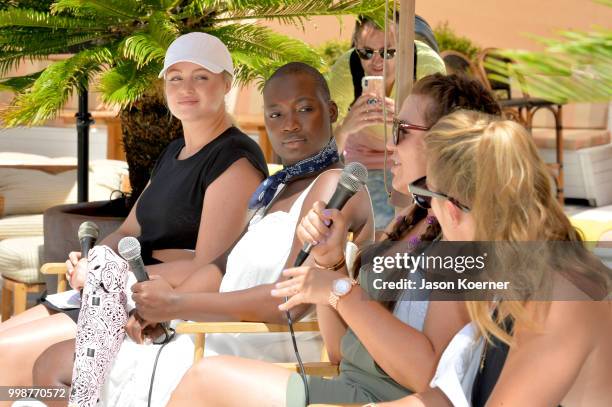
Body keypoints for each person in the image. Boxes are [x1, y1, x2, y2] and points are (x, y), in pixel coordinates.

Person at [33, 62, 375, 407]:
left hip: (255, 354)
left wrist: (180, 304)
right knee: (52, 366)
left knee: (56, 369)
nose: (290, 124)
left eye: (304, 109)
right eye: (275, 114)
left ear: (331, 111)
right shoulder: (274, 191)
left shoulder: (333, 186)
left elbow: (287, 301)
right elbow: (219, 268)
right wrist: (157, 311)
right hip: (213, 335)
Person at [165, 74, 503, 407]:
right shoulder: (413, 222)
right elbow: (341, 349)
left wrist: (341, 291)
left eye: (401, 131)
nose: (390, 145)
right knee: (203, 378)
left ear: (446, 143)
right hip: (347, 389)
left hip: (386, 400)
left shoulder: (461, 239)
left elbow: (430, 378)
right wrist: (331, 261)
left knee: (205, 380)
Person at [0, 32, 268, 394]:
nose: (186, 87)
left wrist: (110, 272)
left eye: (201, 76)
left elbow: (210, 268)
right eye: (175, 77)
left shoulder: (234, 160)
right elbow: (129, 228)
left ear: (226, 84)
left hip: (145, 304)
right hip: (113, 288)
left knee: (4, 358)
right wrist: (94, 260)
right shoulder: (174, 152)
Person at [371, 111, 612, 407]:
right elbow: (451, 395)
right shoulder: (515, 272)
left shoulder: (556, 302)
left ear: (452, 209)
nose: (429, 210)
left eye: (426, 195)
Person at [328, 14, 446, 227]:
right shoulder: (345, 72)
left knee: (418, 222)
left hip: (416, 158)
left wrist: (406, 121)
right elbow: (327, 152)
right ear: (355, 47)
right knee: (376, 220)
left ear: (405, 48)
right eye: (365, 52)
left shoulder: (426, 65)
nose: (376, 61)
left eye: (388, 52)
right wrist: (345, 128)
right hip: (364, 160)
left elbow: (441, 135)